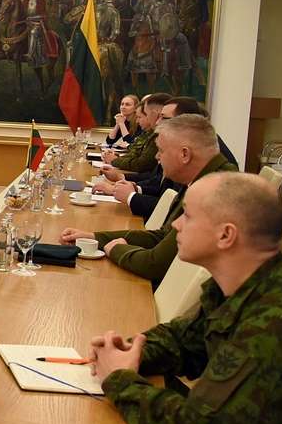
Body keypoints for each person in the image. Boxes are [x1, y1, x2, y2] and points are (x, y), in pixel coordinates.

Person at [89, 172, 282, 424]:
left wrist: (120, 379)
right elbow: (184, 341)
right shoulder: (246, 281)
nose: (176, 224)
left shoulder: (278, 321)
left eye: (188, 216)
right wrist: (129, 351)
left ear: (225, 236)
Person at [61, 114, 237, 283]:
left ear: (185, 154)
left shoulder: (215, 189)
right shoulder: (202, 178)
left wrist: (116, 249)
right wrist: (94, 237)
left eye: (161, 150)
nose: (157, 157)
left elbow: (155, 264)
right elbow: (162, 236)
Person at [101, 97, 238, 220]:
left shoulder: (207, 163)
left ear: (184, 120)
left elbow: (171, 211)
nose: (157, 122)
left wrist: (131, 196)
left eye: (163, 117)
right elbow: (160, 184)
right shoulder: (178, 144)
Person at [102, 92, 170, 173]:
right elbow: (110, 141)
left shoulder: (154, 134)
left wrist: (115, 160)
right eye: (122, 104)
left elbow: (140, 163)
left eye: (127, 104)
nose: (123, 107)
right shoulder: (145, 130)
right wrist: (118, 124)